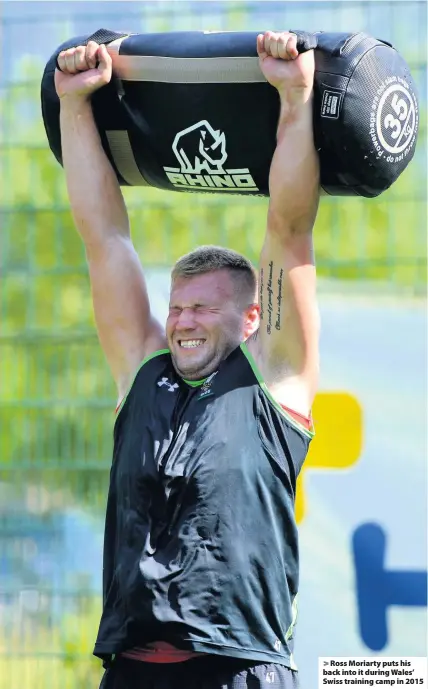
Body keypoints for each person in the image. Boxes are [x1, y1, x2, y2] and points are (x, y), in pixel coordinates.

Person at [55, 29, 320, 689]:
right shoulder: (142, 372)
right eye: (177, 307)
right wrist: (74, 104)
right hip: (135, 670)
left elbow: (288, 230)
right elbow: (104, 237)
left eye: (204, 308)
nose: (183, 320)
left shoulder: (275, 381)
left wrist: (294, 98)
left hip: (241, 668)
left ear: (251, 318)